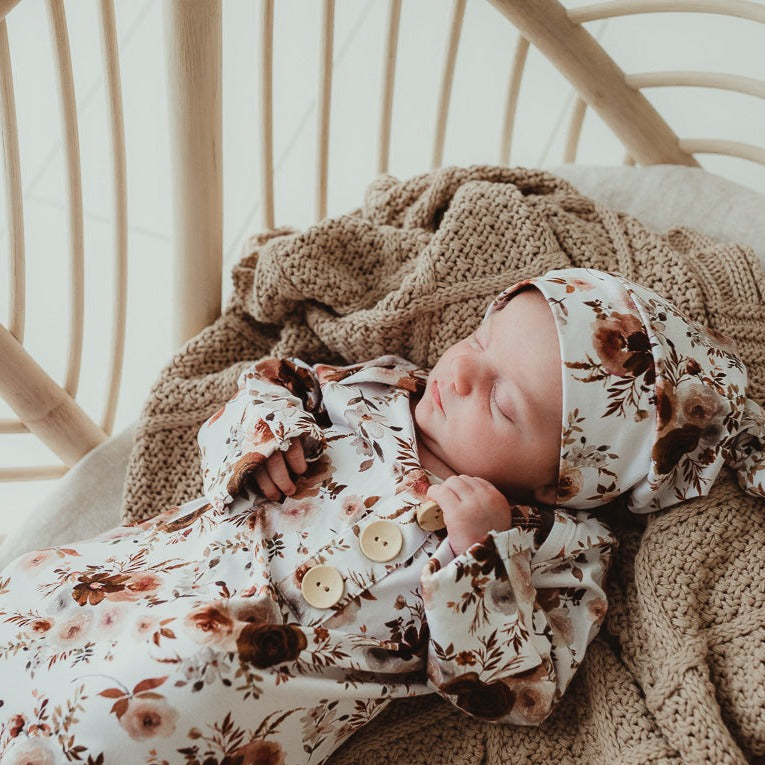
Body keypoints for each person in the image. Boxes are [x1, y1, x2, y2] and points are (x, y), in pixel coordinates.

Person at [1, 267, 763, 765]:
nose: (459, 370)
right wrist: (264, 442)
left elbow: (520, 690)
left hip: (244, 688)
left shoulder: (556, 548)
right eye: (478, 339)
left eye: (499, 400)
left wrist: (479, 559)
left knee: (160, 692)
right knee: (36, 602)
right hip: (149, 573)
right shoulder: (374, 392)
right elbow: (265, 385)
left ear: (563, 482)